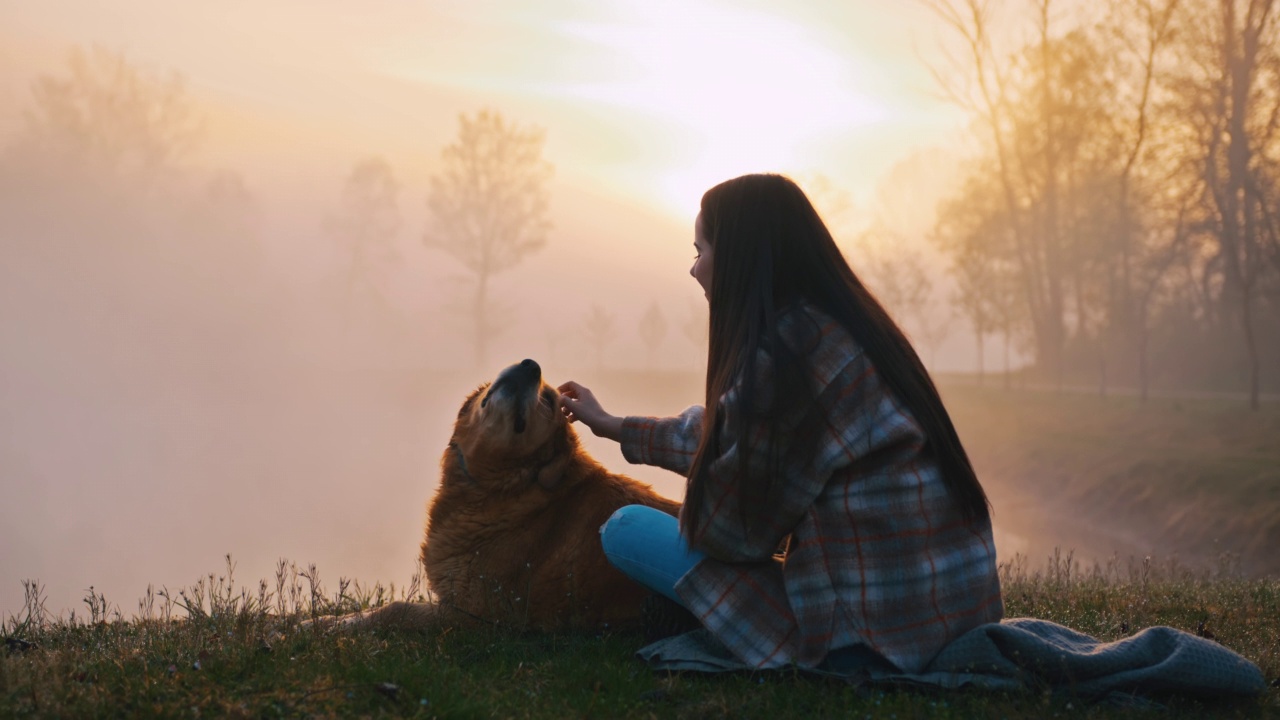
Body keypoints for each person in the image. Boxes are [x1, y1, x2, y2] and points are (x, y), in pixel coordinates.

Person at [557, 173, 1002, 675]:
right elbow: (738, 440)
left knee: (626, 527)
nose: (693, 269)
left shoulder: (785, 358)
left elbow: (732, 535)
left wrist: (703, 499)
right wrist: (614, 425)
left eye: (700, 249)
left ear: (741, 258)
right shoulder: (850, 331)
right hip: (953, 618)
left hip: (865, 642)